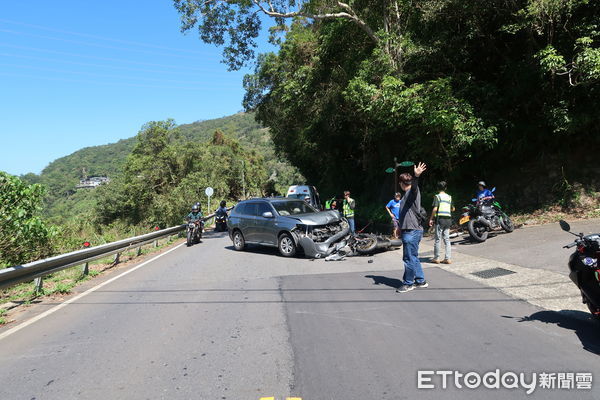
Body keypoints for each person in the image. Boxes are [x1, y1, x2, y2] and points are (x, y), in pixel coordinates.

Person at [396, 162, 428, 293]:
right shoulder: (405, 196)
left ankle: (409, 283)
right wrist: (399, 227)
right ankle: (420, 281)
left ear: (401, 183)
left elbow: (414, 187)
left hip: (411, 231)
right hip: (409, 229)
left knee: (408, 257)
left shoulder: (411, 192)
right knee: (413, 256)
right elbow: (405, 214)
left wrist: (416, 176)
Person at [429, 181, 455, 264]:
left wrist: (431, 218)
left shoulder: (437, 196)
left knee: (438, 239)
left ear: (437, 188)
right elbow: (453, 209)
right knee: (447, 239)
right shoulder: (449, 197)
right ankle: (448, 258)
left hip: (440, 219)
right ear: (446, 188)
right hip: (448, 220)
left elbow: (435, 209)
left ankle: (436, 258)